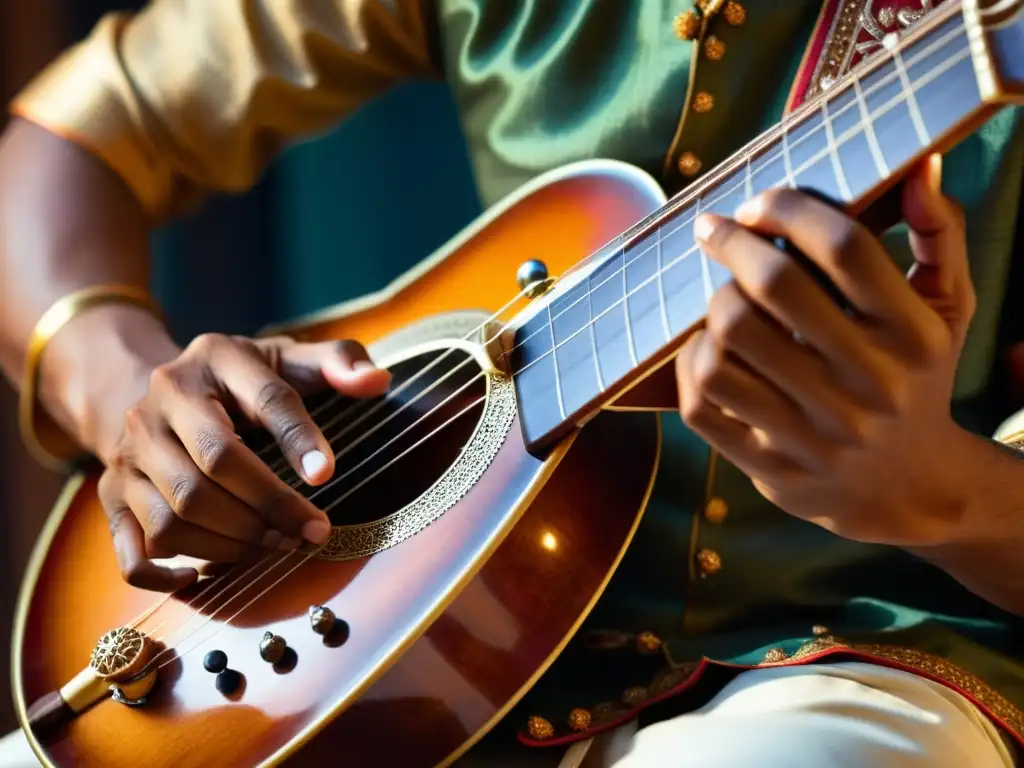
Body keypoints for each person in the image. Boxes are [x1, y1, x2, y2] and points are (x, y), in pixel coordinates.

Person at [0, 0, 1022, 765]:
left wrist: (942, 494)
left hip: (859, 667)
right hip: (386, 649)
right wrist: (143, 403)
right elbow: (66, 147)